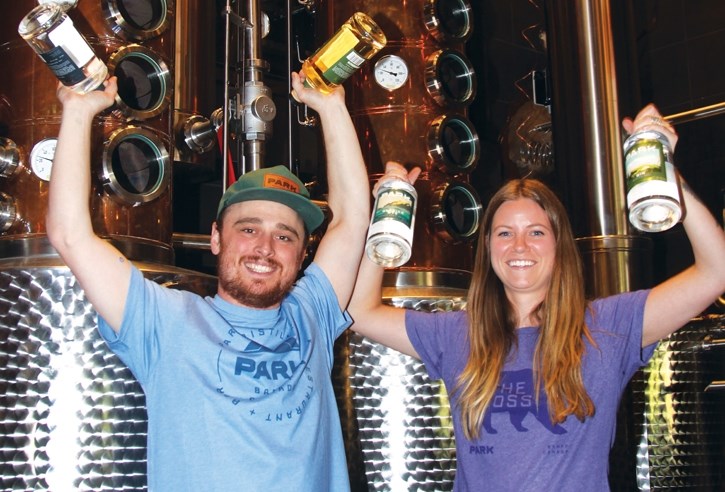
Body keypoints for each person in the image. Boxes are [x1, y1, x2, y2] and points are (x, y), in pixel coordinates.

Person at [348, 104, 725, 491]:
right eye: (505, 233)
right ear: (488, 246)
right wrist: (388, 217)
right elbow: (358, 311)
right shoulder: (456, 333)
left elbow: (717, 271)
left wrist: (664, 170)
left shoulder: (607, 326)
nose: (520, 245)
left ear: (559, 245)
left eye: (537, 232)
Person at [46, 72, 370, 491]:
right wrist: (76, 112)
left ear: (303, 252)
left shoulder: (313, 313)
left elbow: (352, 219)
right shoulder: (164, 320)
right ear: (216, 238)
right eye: (248, 229)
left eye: (284, 235)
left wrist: (331, 107)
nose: (265, 247)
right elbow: (70, 236)